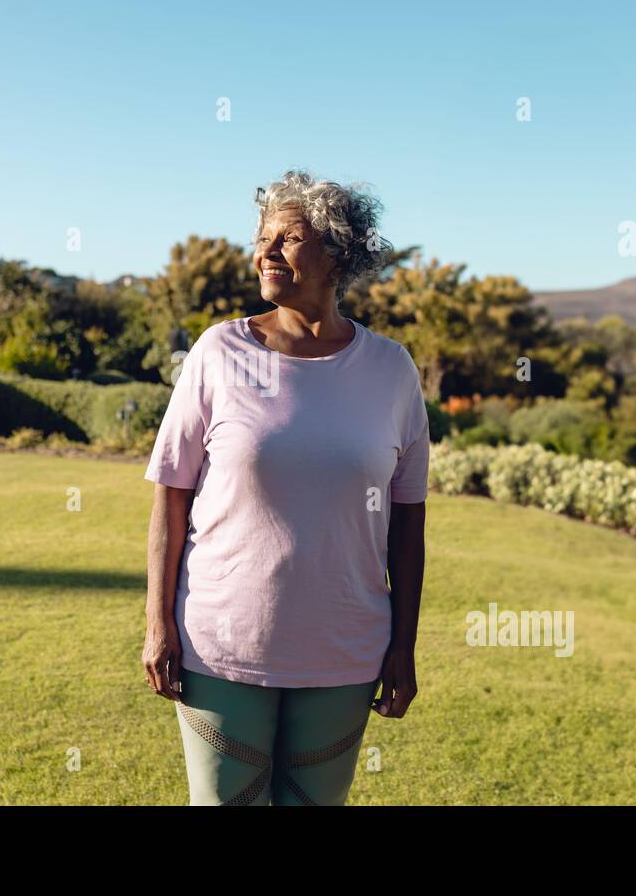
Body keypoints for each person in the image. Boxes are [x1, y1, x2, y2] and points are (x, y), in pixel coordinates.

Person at [142, 169, 429, 805]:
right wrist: (157, 621)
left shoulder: (391, 370)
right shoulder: (218, 353)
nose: (266, 251)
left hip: (345, 649)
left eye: (289, 238)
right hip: (222, 644)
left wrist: (403, 647)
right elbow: (171, 489)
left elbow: (410, 519)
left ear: (338, 254)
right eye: (264, 237)